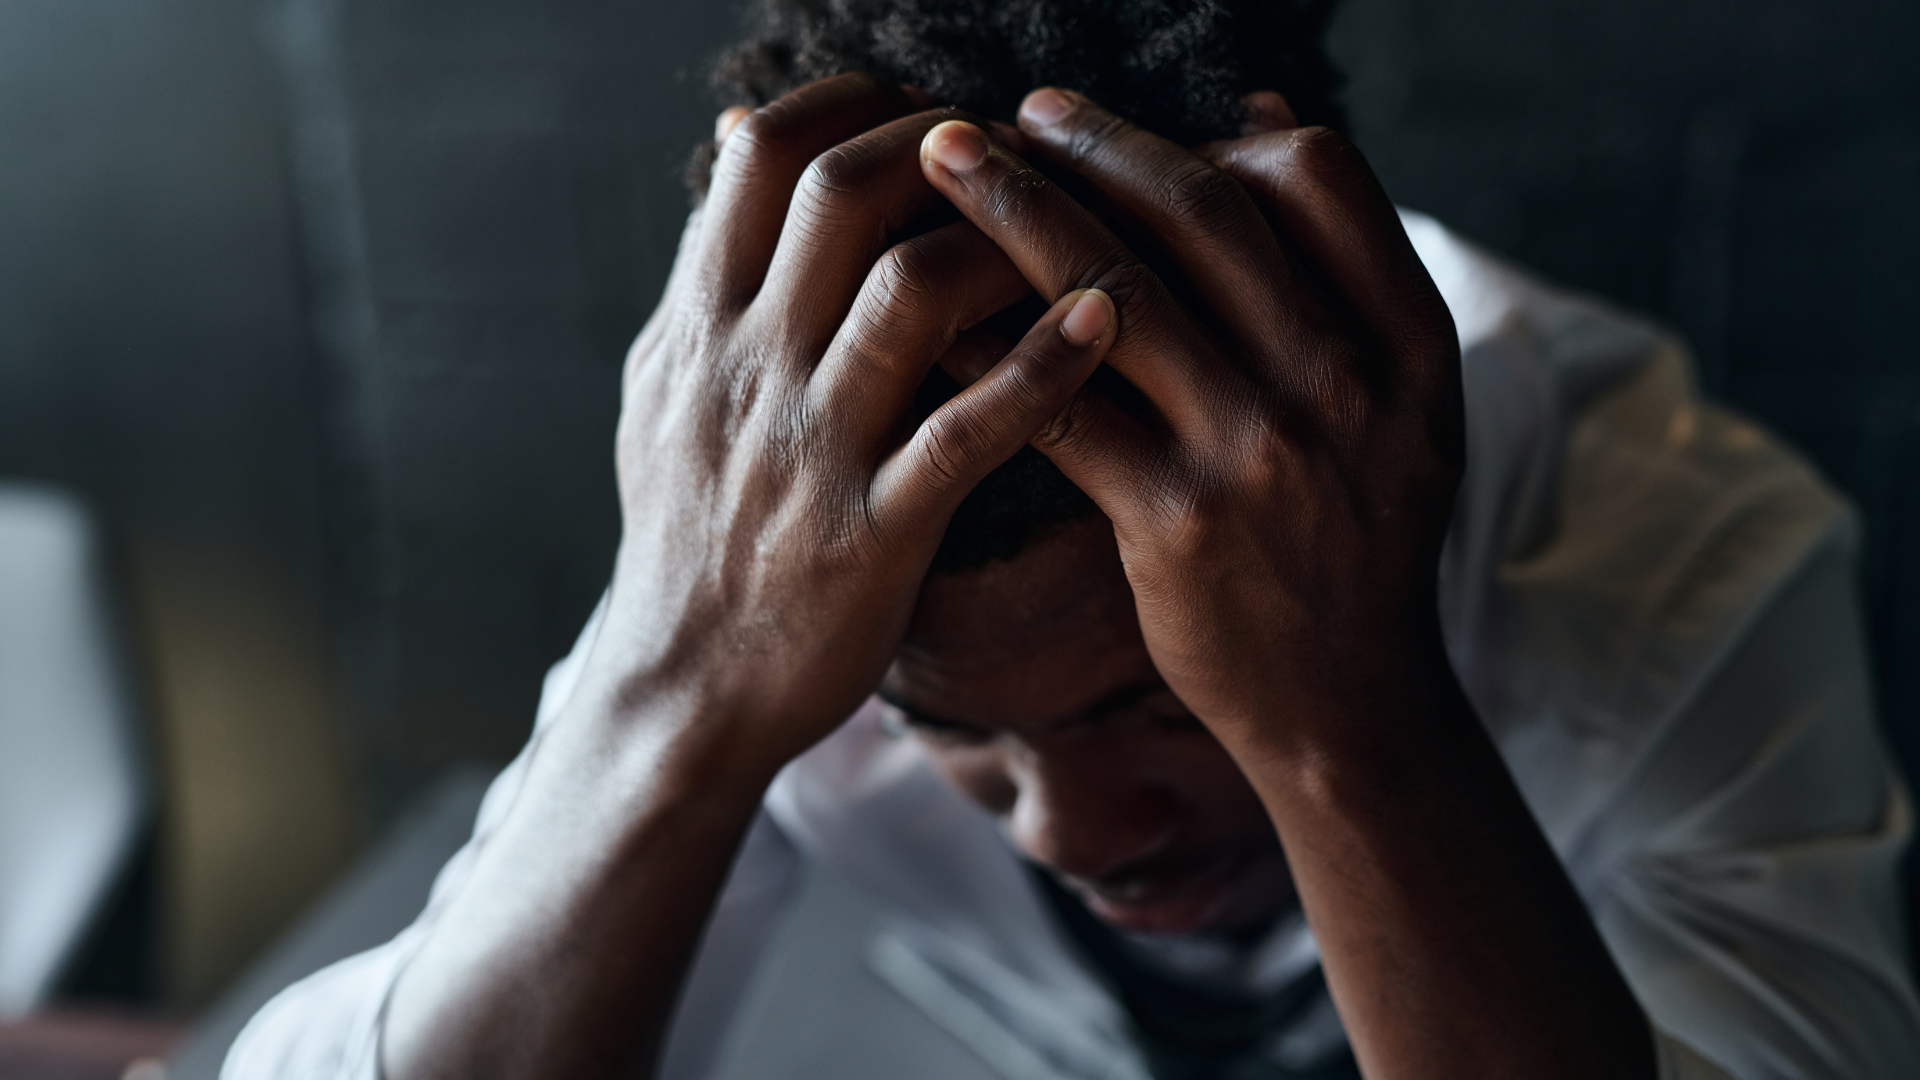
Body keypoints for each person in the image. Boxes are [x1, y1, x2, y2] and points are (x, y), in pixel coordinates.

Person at [223, 2, 1920, 1077]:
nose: (1077, 834)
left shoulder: (1673, 554)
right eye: (948, 732)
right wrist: (678, 692)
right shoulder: (795, 557)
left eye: (1165, 703)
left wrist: (1349, 713)